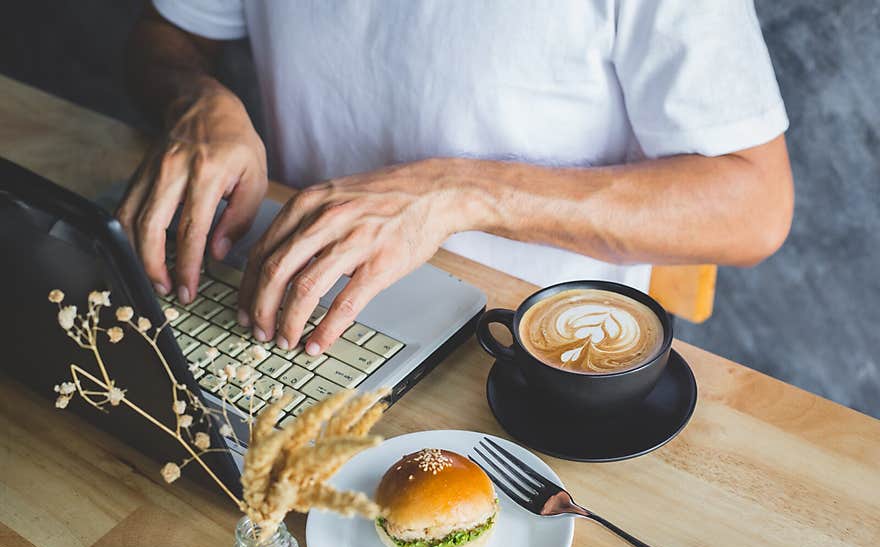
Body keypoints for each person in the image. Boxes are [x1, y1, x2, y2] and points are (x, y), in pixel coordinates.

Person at [120, 0, 793, 357]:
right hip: (282, 309)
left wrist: (456, 193)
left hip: (519, 361)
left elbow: (754, 201)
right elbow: (166, 38)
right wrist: (195, 98)